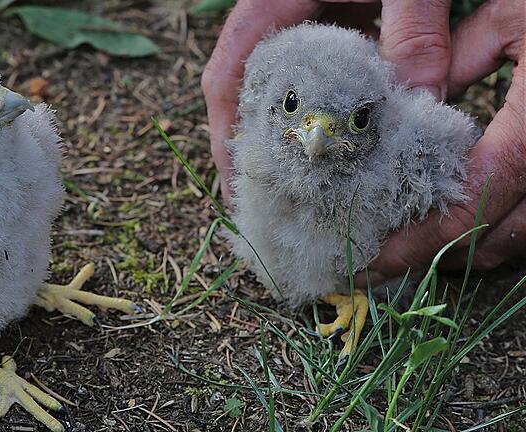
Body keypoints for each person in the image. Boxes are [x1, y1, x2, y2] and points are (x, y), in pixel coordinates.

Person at [201, 0, 525, 287]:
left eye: (358, 121)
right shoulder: (260, 138)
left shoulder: (408, 154)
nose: (317, 136)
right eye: (291, 105)